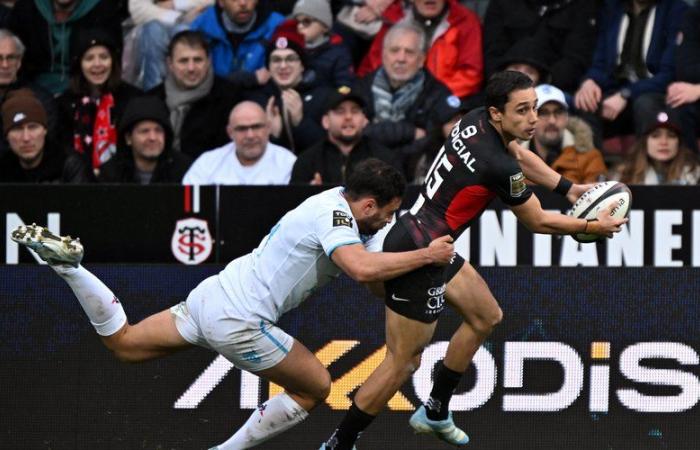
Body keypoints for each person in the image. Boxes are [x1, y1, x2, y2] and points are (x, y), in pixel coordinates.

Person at [10, 158, 456, 449]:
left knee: (124, 344)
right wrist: (426, 256)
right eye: (388, 211)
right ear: (369, 203)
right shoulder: (334, 217)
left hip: (211, 297)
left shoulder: (337, 205)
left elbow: (372, 277)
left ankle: (70, 269)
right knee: (316, 388)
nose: (389, 220)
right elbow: (360, 270)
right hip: (240, 320)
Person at [320, 71, 627, 450]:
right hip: (419, 255)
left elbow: (517, 153)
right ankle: (339, 443)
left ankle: (435, 410)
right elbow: (537, 220)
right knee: (402, 362)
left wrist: (569, 188)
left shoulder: (475, 120)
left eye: (534, 107)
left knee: (486, 316)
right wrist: (591, 226)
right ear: (498, 113)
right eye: (522, 110)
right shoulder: (495, 165)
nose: (532, 118)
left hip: (428, 240)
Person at [354, 22, 462, 180]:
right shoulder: (361, 88)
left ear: (421, 59)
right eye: (394, 50)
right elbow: (354, 135)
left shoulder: (439, 94)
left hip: (416, 177)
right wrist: (410, 132)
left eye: (409, 52)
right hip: (366, 174)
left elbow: (432, 142)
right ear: (383, 55)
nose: (401, 58)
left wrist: (386, 148)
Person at [573, 0, 688, 146]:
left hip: (654, 90)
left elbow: (669, 73)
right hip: (616, 87)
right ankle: (593, 166)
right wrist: (590, 81)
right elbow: (600, 61)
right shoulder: (612, 8)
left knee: (645, 105)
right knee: (585, 103)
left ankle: (644, 167)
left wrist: (626, 94)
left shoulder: (675, 10)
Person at [56, 29, 142, 179]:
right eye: (89, 58)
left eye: (104, 57)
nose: (97, 64)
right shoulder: (64, 103)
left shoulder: (134, 99)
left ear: (113, 61)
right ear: (79, 63)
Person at [357, 0, 483, 100]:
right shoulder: (394, 17)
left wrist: (433, 97)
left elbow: (471, 75)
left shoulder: (465, 21)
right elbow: (373, 65)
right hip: (391, 99)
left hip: (445, 102)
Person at [147, 30, 242, 159]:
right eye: (183, 61)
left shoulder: (230, 97)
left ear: (209, 61)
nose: (191, 68)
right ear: (170, 64)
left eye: (198, 60)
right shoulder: (151, 100)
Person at [7, 0, 122, 95]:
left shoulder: (103, 8)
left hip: (85, 87)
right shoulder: (28, 7)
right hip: (33, 89)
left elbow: (111, 59)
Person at [290, 86, 401, 184]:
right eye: (340, 111)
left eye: (355, 111)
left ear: (365, 120)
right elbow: (293, 204)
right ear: (326, 121)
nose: (348, 117)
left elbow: (401, 202)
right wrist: (309, 195)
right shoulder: (307, 161)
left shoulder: (385, 160)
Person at [483, 0, 598, 93]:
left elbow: (576, 58)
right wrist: (506, 86)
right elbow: (493, 53)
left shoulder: (582, 5)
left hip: (554, 89)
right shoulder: (502, 3)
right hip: (504, 86)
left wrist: (541, 86)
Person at [246, 31, 332, 153]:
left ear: (302, 65)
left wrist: (300, 121)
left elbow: (329, 149)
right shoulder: (257, 101)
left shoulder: (324, 97)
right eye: (276, 60)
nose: (283, 66)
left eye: (290, 59)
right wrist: (273, 136)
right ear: (268, 68)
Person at [182, 101, 296, 185]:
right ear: (230, 132)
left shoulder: (288, 163)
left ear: (268, 128)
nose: (250, 135)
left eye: (256, 127)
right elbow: (187, 202)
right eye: (242, 129)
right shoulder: (207, 163)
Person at [0, 88, 89, 183]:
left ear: (45, 130)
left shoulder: (69, 165)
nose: (26, 138)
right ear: (6, 135)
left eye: (32, 127)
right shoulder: (3, 169)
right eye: (17, 129)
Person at [98, 96, 192, 184]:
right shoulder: (110, 174)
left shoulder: (186, 171)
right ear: (128, 138)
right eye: (144, 131)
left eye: (158, 131)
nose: (152, 137)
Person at [190, 0, 284, 87]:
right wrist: (248, 79)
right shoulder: (201, 27)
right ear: (221, 2)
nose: (243, 3)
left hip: (259, 97)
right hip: (212, 97)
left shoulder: (277, 26)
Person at [528, 84, 607, 184]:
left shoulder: (590, 158)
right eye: (543, 113)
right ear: (530, 118)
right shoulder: (514, 157)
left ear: (567, 117)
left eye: (558, 112)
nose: (552, 121)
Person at [125, 0, 211, 90]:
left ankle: (191, 95)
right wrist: (178, 18)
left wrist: (176, 4)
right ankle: (154, 95)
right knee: (153, 31)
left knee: (183, 31)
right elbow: (138, 9)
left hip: (196, 24)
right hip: (156, 25)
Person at [0, 28, 57, 156]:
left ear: (19, 62)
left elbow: (46, 142)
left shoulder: (41, 99)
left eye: (11, 58)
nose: (4, 65)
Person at [611, 109, 700, 184]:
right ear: (644, 142)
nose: (664, 142)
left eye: (671, 136)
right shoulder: (624, 175)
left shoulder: (695, 175)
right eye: (655, 136)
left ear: (679, 143)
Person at [290, 0, 355, 88]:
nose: (299, 26)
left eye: (306, 21)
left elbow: (345, 87)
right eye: (296, 22)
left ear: (324, 26)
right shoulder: (290, 46)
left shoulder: (339, 55)